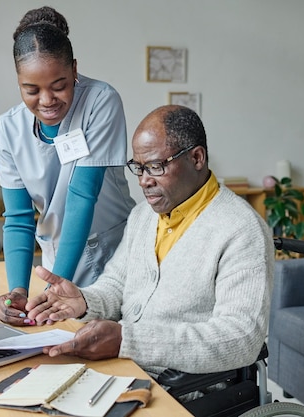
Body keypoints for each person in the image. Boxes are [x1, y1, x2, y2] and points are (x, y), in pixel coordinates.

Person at [25, 105, 274, 377]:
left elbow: (241, 338)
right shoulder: (143, 215)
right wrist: (84, 300)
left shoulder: (241, 229)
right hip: (126, 367)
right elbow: (117, 285)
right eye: (138, 168)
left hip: (186, 388)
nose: (143, 181)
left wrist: (127, 341)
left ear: (197, 158)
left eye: (155, 167)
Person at [0, 6, 135, 325]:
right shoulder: (9, 128)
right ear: (19, 82)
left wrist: (58, 285)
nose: (46, 100)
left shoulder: (100, 101)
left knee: (110, 346)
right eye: (31, 90)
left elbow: (83, 195)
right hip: (59, 256)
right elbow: (18, 218)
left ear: (74, 69)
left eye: (59, 85)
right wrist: (17, 291)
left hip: (113, 254)